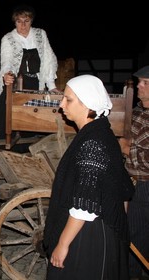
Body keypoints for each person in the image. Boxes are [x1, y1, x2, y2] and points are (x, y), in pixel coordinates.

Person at [43, 75, 135, 279]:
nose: (61, 105)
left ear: (87, 104)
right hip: (100, 228)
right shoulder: (101, 132)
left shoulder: (92, 142)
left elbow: (85, 205)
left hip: (89, 235)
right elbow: (121, 190)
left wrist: (63, 244)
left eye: (68, 99)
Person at [0, 4, 60, 140]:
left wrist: (51, 86)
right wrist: (7, 75)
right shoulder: (8, 38)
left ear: (31, 21)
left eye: (26, 21)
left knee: (40, 104)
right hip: (16, 80)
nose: (23, 25)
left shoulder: (40, 34)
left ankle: (31, 138)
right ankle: (3, 139)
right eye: (19, 21)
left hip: (36, 81)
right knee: (5, 99)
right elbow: (6, 60)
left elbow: (48, 59)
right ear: (15, 22)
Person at [118, 66, 149, 280]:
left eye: (145, 83)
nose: (139, 85)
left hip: (145, 185)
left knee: (135, 236)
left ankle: (132, 275)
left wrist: (127, 149)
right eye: (139, 81)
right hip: (132, 181)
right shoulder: (138, 111)